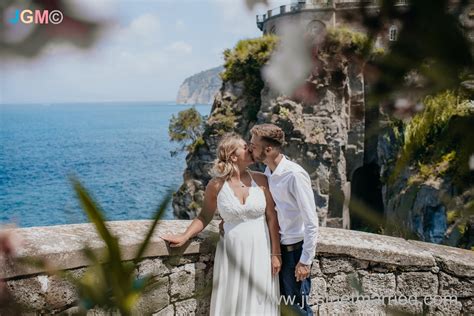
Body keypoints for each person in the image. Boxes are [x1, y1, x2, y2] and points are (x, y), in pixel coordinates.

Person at [161, 132, 281, 315]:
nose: (249, 148)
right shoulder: (216, 186)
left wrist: (275, 254)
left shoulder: (262, 179)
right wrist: (184, 236)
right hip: (231, 255)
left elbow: (272, 218)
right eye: (244, 146)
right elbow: (203, 217)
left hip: (261, 252)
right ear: (233, 156)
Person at [248, 123, 319, 316]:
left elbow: (312, 221)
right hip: (277, 252)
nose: (250, 148)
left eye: (254, 145)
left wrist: (305, 261)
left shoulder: (294, 174)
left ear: (268, 149)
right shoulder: (268, 175)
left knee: (297, 309)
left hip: (295, 252)